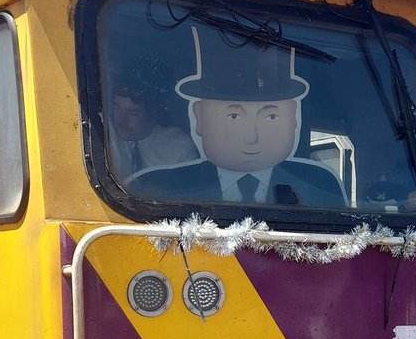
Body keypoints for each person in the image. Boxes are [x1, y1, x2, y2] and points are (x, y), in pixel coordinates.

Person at [127, 28, 345, 208]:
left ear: (294, 118)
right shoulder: (153, 190)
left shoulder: (321, 186)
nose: (252, 138)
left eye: (270, 117)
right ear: (199, 117)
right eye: (233, 116)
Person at [108, 61, 196, 184]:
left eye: (133, 113)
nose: (121, 120)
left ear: (153, 113)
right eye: (117, 108)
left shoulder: (181, 148)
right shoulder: (103, 135)